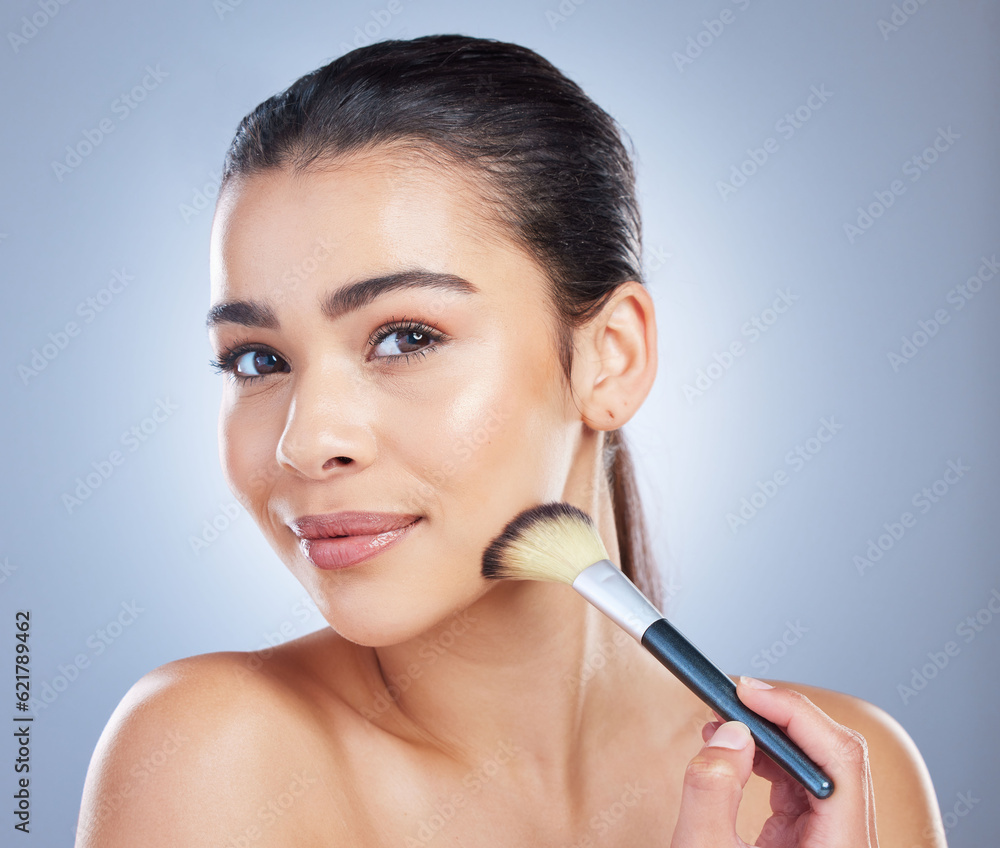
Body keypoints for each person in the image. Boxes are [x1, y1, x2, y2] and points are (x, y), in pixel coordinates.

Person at [75, 34, 946, 846]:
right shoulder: (214, 756)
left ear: (611, 358)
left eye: (404, 337)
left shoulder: (835, 785)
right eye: (257, 359)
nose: (308, 443)